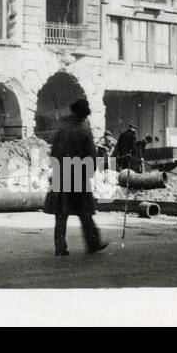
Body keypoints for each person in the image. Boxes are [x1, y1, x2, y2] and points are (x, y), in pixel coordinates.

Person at [49, 98, 110, 256]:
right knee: (85, 212)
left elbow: (54, 152)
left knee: (61, 214)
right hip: (78, 176)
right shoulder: (84, 130)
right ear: (84, 115)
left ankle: (60, 247)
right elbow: (91, 155)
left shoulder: (62, 129)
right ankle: (92, 243)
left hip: (61, 174)